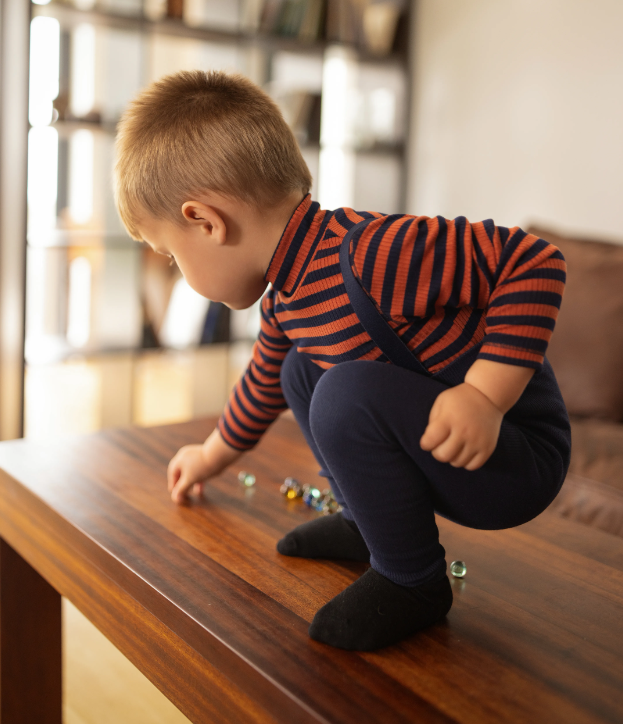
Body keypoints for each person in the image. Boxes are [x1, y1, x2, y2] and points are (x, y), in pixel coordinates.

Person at [114, 70, 570, 652]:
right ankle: (364, 522)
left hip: (513, 458)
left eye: (172, 257)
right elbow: (262, 386)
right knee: (299, 370)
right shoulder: (287, 296)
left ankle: (414, 580)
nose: (178, 270)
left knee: (342, 393)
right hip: (448, 449)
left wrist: (484, 396)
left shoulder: (373, 254)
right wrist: (209, 455)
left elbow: (533, 262)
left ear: (207, 221)